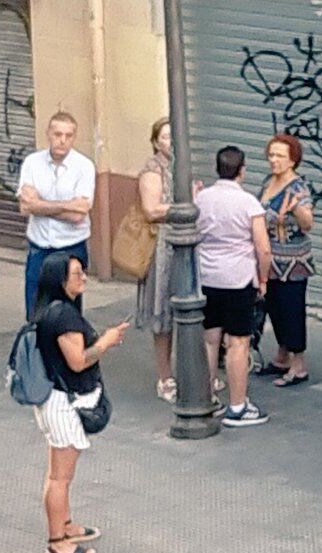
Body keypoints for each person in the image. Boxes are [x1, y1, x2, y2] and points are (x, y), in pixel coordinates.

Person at [32, 253, 128, 553]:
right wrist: (108, 341)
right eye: (76, 274)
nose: (83, 278)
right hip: (64, 403)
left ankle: (66, 525)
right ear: (61, 281)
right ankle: (57, 542)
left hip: (52, 400)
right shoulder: (64, 316)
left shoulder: (47, 311)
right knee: (60, 477)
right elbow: (78, 361)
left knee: (57, 472)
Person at [196, 146, 272, 427]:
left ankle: (207, 398)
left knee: (209, 338)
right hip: (238, 279)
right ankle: (237, 406)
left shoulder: (201, 198)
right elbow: (263, 248)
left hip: (207, 277)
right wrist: (263, 279)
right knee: (238, 342)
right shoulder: (248, 203)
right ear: (242, 171)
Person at [16, 111, 96, 320]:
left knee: (68, 314)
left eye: (68, 135)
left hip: (72, 247)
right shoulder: (32, 163)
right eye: (57, 134)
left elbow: (79, 215)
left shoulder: (84, 166)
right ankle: (36, 351)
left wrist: (39, 206)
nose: (62, 140)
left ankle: (68, 353)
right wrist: (67, 207)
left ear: (74, 137)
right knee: (35, 311)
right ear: (48, 134)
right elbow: (25, 207)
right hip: (39, 247)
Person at [256, 134, 314, 387]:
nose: (274, 160)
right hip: (270, 261)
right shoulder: (268, 182)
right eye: (271, 155)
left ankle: (298, 364)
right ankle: (282, 356)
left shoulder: (298, 188)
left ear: (292, 161)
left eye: (280, 156)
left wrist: (296, 209)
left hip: (293, 263)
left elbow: (308, 223)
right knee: (274, 308)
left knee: (292, 310)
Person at [133, 117, 177, 402]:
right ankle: (164, 377)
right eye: (164, 137)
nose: (170, 142)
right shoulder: (153, 170)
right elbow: (151, 210)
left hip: (183, 242)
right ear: (155, 142)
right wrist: (183, 205)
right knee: (162, 312)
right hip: (161, 246)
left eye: (173, 137)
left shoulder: (182, 165)